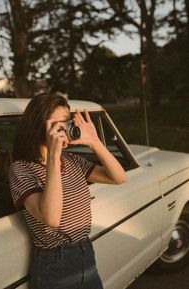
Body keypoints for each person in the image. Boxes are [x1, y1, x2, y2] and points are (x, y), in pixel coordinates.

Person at [9, 92, 126, 289]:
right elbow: (52, 218)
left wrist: (95, 142)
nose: (67, 128)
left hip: (85, 253)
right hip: (55, 264)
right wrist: (53, 156)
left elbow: (118, 178)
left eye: (68, 122)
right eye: (59, 123)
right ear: (39, 126)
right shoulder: (21, 169)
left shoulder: (71, 161)